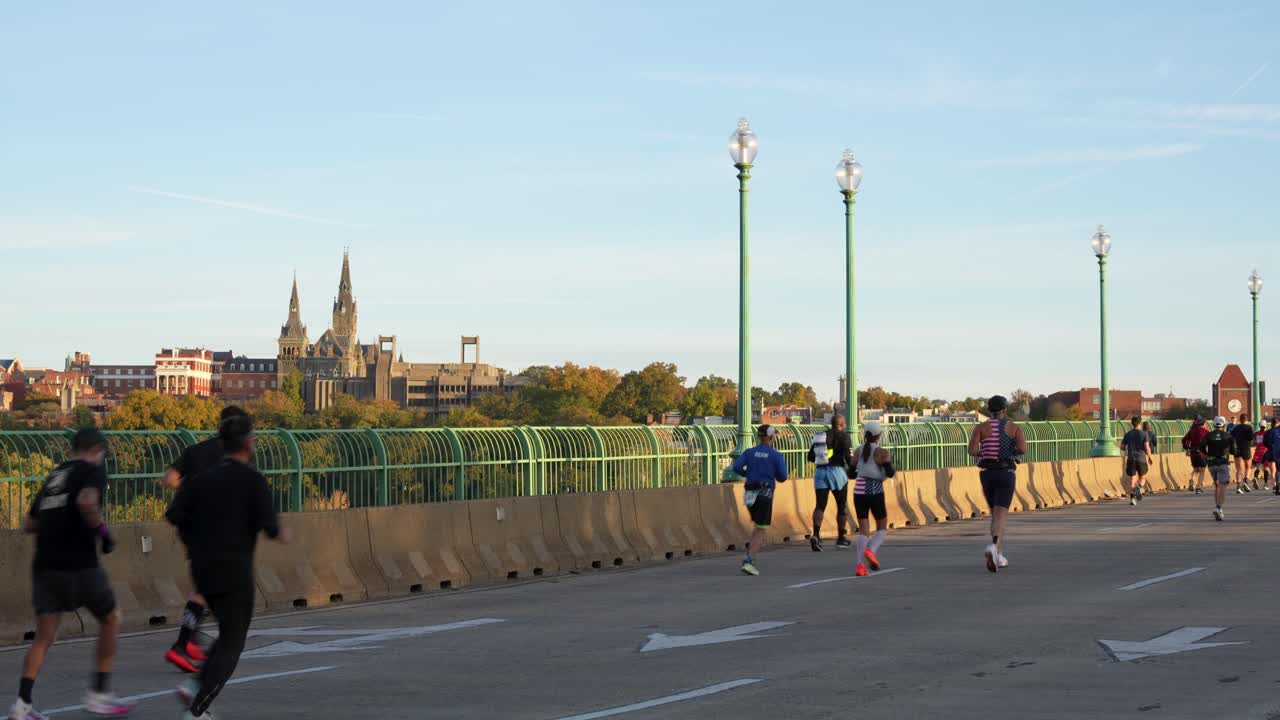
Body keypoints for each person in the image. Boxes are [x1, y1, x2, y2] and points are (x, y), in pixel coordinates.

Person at [167, 415, 290, 719]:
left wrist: (194, 542)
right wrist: (282, 534)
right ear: (249, 443)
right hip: (234, 571)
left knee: (225, 635)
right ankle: (197, 709)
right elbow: (271, 527)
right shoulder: (253, 480)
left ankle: (196, 685)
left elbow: (175, 514)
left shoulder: (202, 479)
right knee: (233, 641)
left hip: (202, 568)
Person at [9, 429, 134, 720]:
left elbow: (29, 523)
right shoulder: (92, 471)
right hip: (78, 564)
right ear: (98, 449)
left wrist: (56, 524)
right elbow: (88, 502)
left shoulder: (55, 476)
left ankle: (22, 704)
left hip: (44, 565)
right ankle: (99, 694)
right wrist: (103, 532)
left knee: (44, 636)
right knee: (111, 618)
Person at [159, 405, 249, 674]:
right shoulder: (237, 457)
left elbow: (170, 478)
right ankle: (182, 644)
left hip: (190, 525)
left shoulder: (196, 450)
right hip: (219, 529)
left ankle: (191, 637)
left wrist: (193, 493)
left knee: (203, 584)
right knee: (207, 589)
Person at [967, 396, 1028, 573]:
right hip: (1005, 473)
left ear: (990, 410)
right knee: (1001, 514)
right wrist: (1012, 451)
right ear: (1005, 409)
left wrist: (983, 453)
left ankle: (998, 555)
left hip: (987, 473)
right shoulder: (1014, 428)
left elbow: (971, 450)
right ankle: (994, 547)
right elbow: (1023, 449)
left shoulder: (981, 427)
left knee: (994, 513)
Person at [729, 425, 789, 576]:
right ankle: (749, 560)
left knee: (757, 526)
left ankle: (751, 556)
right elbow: (782, 477)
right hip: (765, 493)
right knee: (760, 529)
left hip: (749, 493)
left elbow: (735, 467)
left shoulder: (749, 452)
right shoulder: (775, 455)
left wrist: (748, 472)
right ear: (770, 437)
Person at [851, 422, 895, 577]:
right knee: (882, 526)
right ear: (878, 436)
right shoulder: (881, 452)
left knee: (863, 529)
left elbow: (851, 473)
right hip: (875, 490)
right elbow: (890, 473)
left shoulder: (858, 451)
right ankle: (871, 550)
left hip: (859, 490)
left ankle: (859, 566)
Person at [806, 415, 854, 551]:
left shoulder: (820, 436)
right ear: (842, 424)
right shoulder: (844, 437)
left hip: (820, 472)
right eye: (844, 424)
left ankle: (815, 534)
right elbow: (849, 458)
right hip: (837, 472)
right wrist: (853, 470)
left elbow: (810, 457)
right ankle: (841, 538)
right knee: (841, 505)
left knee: (820, 505)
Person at [1198, 417, 1234, 521]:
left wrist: (1207, 454)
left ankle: (1218, 508)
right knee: (1223, 485)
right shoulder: (1228, 436)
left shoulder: (1208, 435)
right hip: (1223, 462)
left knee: (1217, 485)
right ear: (1224, 425)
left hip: (1211, 464)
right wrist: (1231, 452)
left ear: (1214, 425)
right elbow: (1234, 448)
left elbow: (1201, 447)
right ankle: (1218, 507)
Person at [1121, 417, 1152, 506]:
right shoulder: (1144, 434)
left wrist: (1128, 447)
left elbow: (1122, 447)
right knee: (1143, 477)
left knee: (1132, 480)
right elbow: (1147, 447)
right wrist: (1150, 457)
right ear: (1140, 423)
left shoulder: (1128, 434)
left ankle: (1132, 499)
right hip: (1141, 459)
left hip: (1131, 459)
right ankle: (1139, 487)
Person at [1181, 417, 1210, 495]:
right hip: (1202, 452)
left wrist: (1187, 448)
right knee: (1202, 470)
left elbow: (1184, 440)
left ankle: (1191, 480)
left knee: (1196, 469)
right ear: (1204, 424)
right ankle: (1199, 487)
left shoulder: (1192, 431)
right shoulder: (1206, 432)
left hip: (1193, 452)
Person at [1230, 414, 1255, 494]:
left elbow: (1231, 438)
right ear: (1247, 420)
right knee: (1248, 467)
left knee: (1239, 470)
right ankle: (1246, 481)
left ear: (1240, 420)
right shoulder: (1249, 427)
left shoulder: (1236, 428)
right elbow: (1251, 438)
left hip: (1237, 450)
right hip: (1246, 449)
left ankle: (1238, 487)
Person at [1141, 421, 1159, 494]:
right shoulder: (1152, 433)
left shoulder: (1141, 433)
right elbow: (1155, 442)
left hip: (1142, 452)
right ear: (1149, 426)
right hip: (1151, 451)